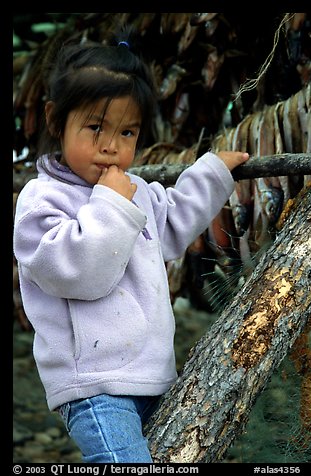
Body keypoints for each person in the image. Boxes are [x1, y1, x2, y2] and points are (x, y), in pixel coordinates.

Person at [13, 26, 249, 463]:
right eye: (95, 127)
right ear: (53, 120)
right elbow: (80, 273)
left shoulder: (134, 188)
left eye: (127, 133)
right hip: (95, 387)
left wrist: (213, 172)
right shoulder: (41, 201)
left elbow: (174, 223)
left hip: (154, 376)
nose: (110, 147)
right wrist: (110, 203)